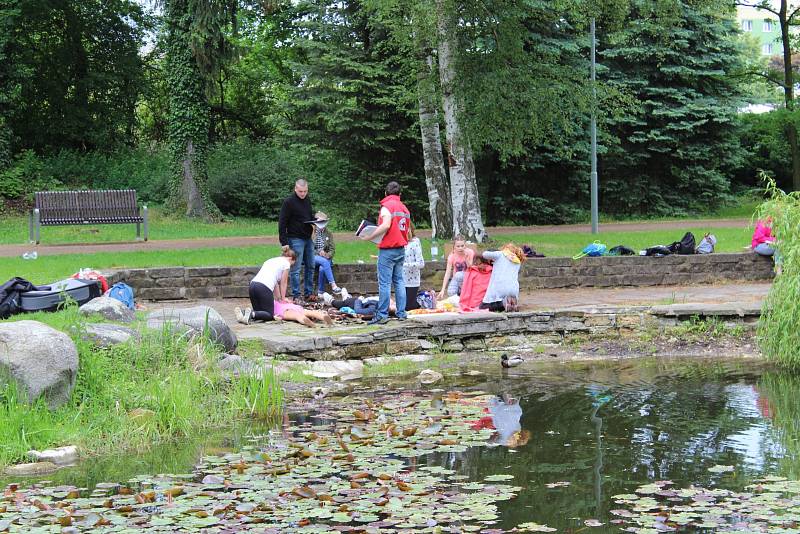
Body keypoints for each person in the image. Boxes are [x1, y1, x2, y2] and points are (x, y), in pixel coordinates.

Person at [360, 181, 411, 325]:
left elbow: (386, 225)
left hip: (388, 250)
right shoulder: (405, 209)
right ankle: (401, 313)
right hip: (401, 249)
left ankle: (382, 315)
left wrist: (369, 236)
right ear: (399, 194)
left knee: (385, 283)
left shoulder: (386, 207)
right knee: (399, 281)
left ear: (385, 193)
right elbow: (406, 230)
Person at [236, 248, 296, 324]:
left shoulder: (270, 260)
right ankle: (251, 314)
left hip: (253, 285)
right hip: (264, 287)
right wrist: (283, 298)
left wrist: (279, 299)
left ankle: (243, 312)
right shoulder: (286, 263)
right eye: (292, 264)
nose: (291, 266)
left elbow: (275, 284)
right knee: (269, 315)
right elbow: (283, 283)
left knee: (260, 313)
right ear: (291, 258)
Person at [278, 179, 315, 304]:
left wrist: (317, 219)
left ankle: (309, 293)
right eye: (300, 191)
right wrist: (284, 242)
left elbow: (309, 216)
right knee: (296, 268)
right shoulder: (289, 202)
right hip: (295, 238)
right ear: (295, 189)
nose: (303, 194)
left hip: (308, 237)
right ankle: (296, 295)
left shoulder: (307, 200)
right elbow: (282, 222)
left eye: (305, 191)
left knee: (311, 265)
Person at [481, 243, 526, 312]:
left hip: (501, 288)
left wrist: (493, 255)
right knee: (504, 296)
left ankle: (504, 303)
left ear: (505, 249)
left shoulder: (500, 254)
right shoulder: (518, 261)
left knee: (484, 306)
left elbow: (485, 254)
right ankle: (512, 302)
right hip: (514, 289)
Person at [311, 211, 343, 297]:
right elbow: (309, 249)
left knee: (322, 268)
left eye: (324, 222)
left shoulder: (328, 233)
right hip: (313, 257)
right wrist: (319, 252)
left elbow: (332, 249)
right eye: (320, 222)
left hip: (325, 257)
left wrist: (328, 255)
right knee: (324, 262)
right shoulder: (312, 232)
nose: (322, 225)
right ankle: (334, 286)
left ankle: (320, 292)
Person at [403, 224, 425, 311]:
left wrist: (404, 265)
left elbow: (421, 263)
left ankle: (423, 301)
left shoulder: (415, 243)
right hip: (400, 280)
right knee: (402, 307)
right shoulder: (399, 243)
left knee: (409, 307)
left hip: (412, 280)